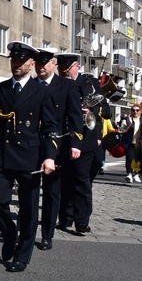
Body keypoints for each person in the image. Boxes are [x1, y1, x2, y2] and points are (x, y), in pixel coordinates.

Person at [0, 42, 57, 273]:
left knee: (28, 209)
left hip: (30, 155)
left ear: (31, 63)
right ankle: (9, 233)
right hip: (3, 153)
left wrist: (50, 157)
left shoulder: (42, 91)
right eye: (13, 61)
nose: (16, 65)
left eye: (21, 62)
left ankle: (22, 255)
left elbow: (50, 127)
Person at [33, 48, 83, 251]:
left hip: (57, 145)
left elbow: (75, 116)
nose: (41, 66)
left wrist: (76, 143)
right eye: (38, 63)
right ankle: (26, 230)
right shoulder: (31, 85)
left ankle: (47, 234)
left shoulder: (66, 85)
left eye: (45, 63)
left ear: (53, 63)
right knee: (29, 189)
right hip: (32, 144)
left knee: (52, 192)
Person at [56, 53, 110, 235]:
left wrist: (91, 109)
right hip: (64, 137)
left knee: (81, 181)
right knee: (64, 181)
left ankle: (82, 221)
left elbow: (106, 110)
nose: (63, 70)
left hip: (86, 140)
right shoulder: (59, 84)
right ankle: (64, 218)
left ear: (76, 66)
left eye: (67, 67)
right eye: (61, 67)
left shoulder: (90, 84)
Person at [119, 104, 141, 183]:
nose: (135, 112)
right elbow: (122, 130)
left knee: (138, 159)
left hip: (139, 143)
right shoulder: (126, 119)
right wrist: (128, 124)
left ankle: (136, 174)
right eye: (133, 110)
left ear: (140, 111)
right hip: (129, 143)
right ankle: (129, 174)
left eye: (137, 110)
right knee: (130, 159)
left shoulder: (141, 120)